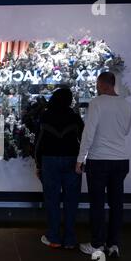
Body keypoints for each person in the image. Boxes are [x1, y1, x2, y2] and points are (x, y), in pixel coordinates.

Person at [76, 72, 131, 258]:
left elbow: (89, 132)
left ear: (102, 84)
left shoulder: (97, 103)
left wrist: (80, 158)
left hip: (99, 160)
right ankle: (114, 244)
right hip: (121, 160)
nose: (96, 88)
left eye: (97, 85)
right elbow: (125, 130)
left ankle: (97, 244)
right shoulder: (127, 105)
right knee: (117, 204)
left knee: (98, 204)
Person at [35, 88, 84, 249]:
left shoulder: (45, 116)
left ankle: (54, 237)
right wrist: (81, 161)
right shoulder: (75, 117)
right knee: (71, 201)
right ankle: (70, 239)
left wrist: (38, 165)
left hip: (49, 161)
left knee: (52, 200)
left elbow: (38, 143)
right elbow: (84, 141)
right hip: (72, 161)